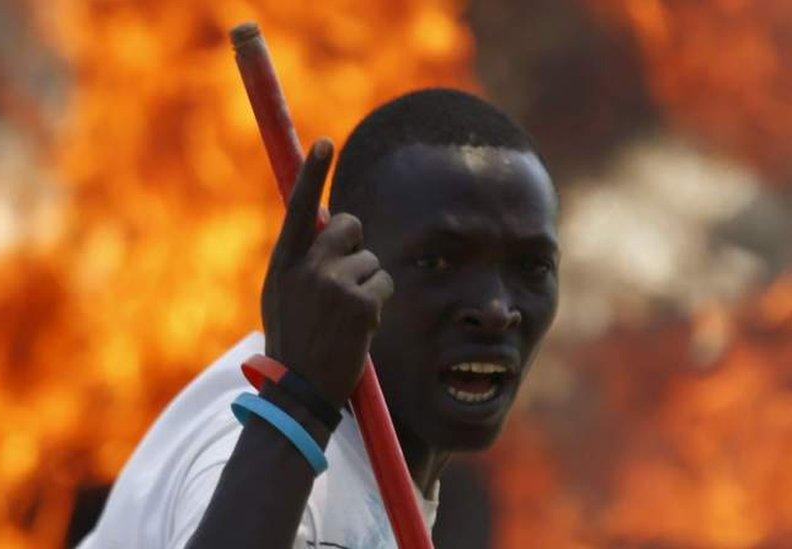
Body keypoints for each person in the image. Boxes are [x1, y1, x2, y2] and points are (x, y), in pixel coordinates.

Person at [79, 88, 559, 548]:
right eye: (438, 263)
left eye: (533, 267)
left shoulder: (377, 471)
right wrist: (297, 403)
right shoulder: (246, 442)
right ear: (345, 269)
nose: (497, 310)